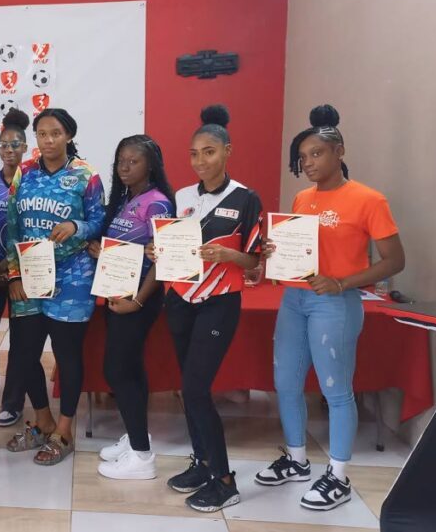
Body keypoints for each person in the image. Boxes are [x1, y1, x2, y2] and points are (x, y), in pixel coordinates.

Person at [255, 105, 405, 511]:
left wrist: (341, 282)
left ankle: (338, 475)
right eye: (303, 157)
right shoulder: (302, 197)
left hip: (335, 302)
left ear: (339, 151)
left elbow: (394, 261)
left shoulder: (368, 199)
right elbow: (300, 249)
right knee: (286, 382)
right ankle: (297, 459)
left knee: (336, 391)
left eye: (316, 154)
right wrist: (275, 249)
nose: (308, 163)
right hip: (295, 299)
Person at [153, 105, 263, 512]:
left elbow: (254, 262)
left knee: (199, 389)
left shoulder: (245, 198)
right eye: (194, 153)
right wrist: (157, 251)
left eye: (210, 152)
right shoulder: (181, 198)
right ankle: (201, 463)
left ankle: (224, 479)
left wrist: (226, 256)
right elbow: (174, 251)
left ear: (227, 151)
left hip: (219, 303)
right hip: (180, 301)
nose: (201, 161)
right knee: (188, 388)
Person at [4, 107, 105, 466]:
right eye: (42, 134)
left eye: (56, 133)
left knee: (67, 355)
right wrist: (14, 274)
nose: (48, 140)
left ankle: (64, 430)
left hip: (73, 278)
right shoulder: (24, 174)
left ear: (69, 136)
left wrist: (78, 227)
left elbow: (98, 219)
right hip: (30, 276)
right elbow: (12, 225)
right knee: (25, 353)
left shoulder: (85, 176)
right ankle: (43, 421)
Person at [92, 135, 175, 480]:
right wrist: (101, 252)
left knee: (117, 371)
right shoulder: (128, 199)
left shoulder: (156, 203)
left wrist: (138, 300)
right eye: (120, 161)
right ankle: (136, 438)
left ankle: (141, 458)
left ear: (150, 165)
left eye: (133, 161)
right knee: (131, 369)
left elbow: (161, 258)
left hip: (138, 299)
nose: (124, 167)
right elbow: (130, 248)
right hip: (118, 293)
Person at [0, 108, 28, 427]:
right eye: (4, 145)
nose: (10, 150)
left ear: (26, 147)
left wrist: (11, 268)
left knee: (21, 339)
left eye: (16, 144)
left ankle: (13, 403)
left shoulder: (34, 183)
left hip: (23, 274)